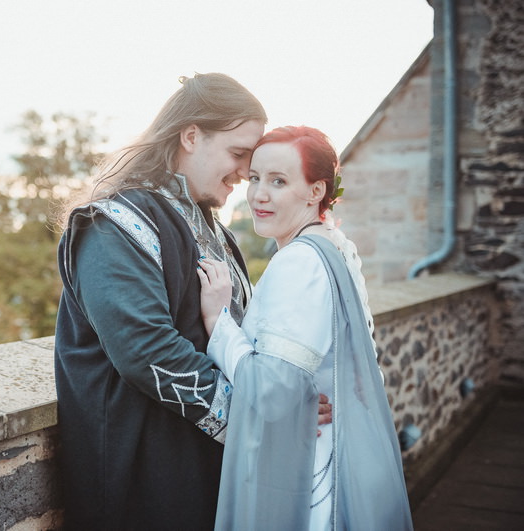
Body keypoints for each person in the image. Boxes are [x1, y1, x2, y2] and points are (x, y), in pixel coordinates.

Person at [54, 73, 332, 530]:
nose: (246, 173)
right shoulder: (113, 224)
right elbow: (147, 351)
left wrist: (284, 396)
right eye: (238, 154)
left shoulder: (213, 230)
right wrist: (268, 418)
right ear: (191, 136)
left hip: (207, 472)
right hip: (145, 478)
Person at [197, 125, 413, 530]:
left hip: (311, 474)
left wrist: (217, 322)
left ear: (316, 191)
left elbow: (272, 392)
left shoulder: (299, 262)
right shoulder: (333, 245)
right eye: (255, 178)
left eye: (279, 181)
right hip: (336, 451)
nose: (259, 194)